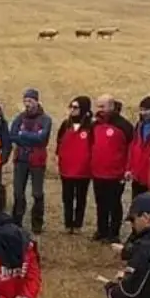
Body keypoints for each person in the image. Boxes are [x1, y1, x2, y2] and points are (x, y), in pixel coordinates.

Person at [90, 94, 135, 243]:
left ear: (111, 106)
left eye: (103, 107)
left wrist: (127, 169)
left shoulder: (124, 126)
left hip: (116, 174)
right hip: (98, 172)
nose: (100, 110)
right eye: (98, 107)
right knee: (100, 202)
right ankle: (101, 230)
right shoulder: (95, 124)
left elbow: (131, 149)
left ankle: (113, 233)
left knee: (114, 203)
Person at [8, 88, 52, 234]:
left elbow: (42, 138)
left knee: (37, 193)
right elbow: (13, 135)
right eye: (25, 101)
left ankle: (37, 223)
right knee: (18, 192)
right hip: (20, 159)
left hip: (37, 161)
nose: (27, 104)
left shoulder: (46, 119)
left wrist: (23, 134)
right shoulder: (19, 118)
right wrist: (30, 136)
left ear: (37, 101)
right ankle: (17, 221)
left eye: (30, 101)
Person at [55, 96, 93, 234]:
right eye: (70, 107)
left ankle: (77, 225)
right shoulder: (66, 124)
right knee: (67, 197)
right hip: (66, 169)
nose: (72, 110)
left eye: (75, 107)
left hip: (83, 170)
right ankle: (68, 223)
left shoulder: (91, 127)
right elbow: (59, 143)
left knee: (81, 198)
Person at [126, 96, 150, 198]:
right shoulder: (140, 125)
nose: (143, 113)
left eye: (146, 110)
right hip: (138, 175)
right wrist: (130, 168)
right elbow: (133, 147)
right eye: (141, 110)